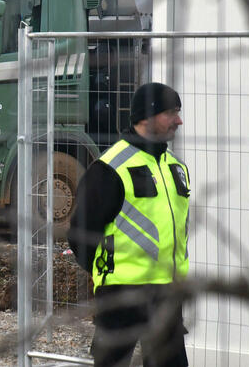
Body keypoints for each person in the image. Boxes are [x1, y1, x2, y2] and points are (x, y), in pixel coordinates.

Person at [68, 82, 191, 367]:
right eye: (171, 112)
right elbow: (80, 235)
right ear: (146, 117)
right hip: (122, 295)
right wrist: (109, 273)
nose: (178, 120)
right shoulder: (110, 168)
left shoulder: (176, 167)